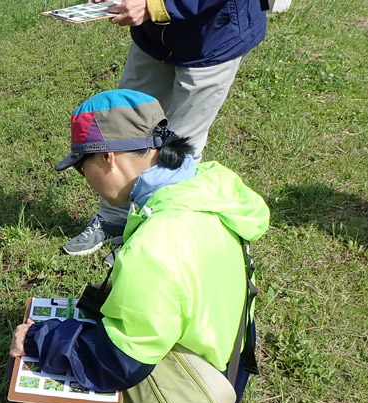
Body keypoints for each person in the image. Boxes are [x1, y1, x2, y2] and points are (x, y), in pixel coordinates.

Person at [9, 90, 269, 403]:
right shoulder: (205, 187)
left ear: (108, 158)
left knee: (38, 369)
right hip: (227, 371)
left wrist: (39, 339)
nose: (86, 183)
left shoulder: (155, 244)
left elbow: (116, 364)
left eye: (83, 169)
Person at [62, 0, 268, 258]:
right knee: (120, 126)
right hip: (153, 38)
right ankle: (114, 218)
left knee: (179, 144)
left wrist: (155, 4)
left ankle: (158, 233)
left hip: (212, 34)